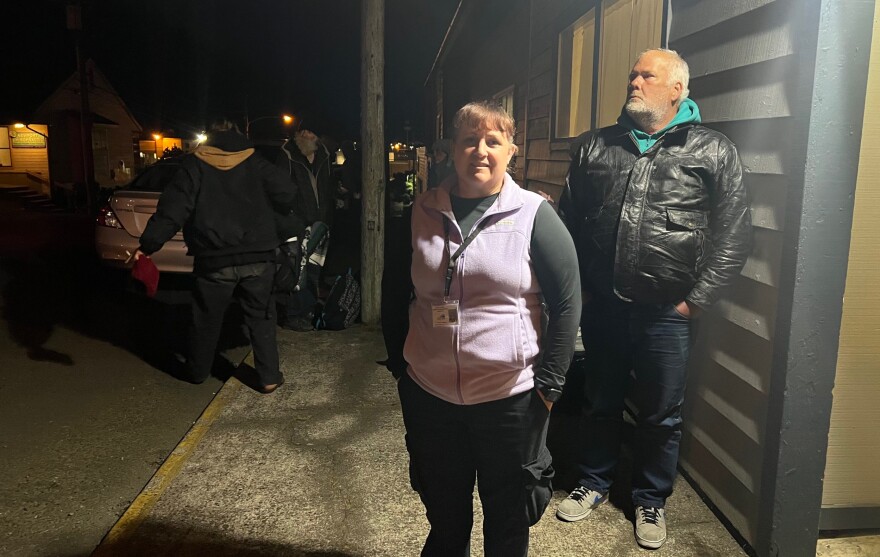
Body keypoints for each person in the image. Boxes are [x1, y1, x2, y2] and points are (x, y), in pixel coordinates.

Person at [556, 48, 751, 549]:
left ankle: (650, 499)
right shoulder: (597, 147)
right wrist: (582, 295)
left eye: (647, 75)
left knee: (661, 413)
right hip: (604, 305)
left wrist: (696, 302)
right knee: (599, 402)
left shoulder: (713, 150)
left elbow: (734, 235)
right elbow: (568, 226)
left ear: (677, 90)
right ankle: (593, 482)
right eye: (632, 74)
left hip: (669, 313)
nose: (634, 82)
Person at [382, 101, 581, 556]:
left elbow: (567, 304)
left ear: (512, 150)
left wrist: (548, 387)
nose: (481, 150)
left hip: (509, 400)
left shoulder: (535, 215)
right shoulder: (419, 214)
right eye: (470, 139)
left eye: (493, 140)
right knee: (445, 516)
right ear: (452, 149)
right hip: (431, 397)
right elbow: (393, 292)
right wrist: (402, 365)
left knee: (509, 519)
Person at [134, 117, 298, 393]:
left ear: (209, 136)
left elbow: (173, 210)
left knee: (206, 319)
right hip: (258, 255)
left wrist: (148, 245)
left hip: (214, 259)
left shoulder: (195, 165)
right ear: (236, 135)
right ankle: (269, 377)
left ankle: (198, 372)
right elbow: (287, 192)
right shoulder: (254, 161)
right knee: (261, 317)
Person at [276, 125, 334, 331]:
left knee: (313, 269)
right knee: (295, 270)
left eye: (312, 132)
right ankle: (292, 314)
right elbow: (281, 189)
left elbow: (327, 187)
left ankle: (307, 309)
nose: (307, 136)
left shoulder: (324, 155)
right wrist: (290, 218)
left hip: (319, 221)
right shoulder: (287, 154)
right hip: (297, 222)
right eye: (304, 132)